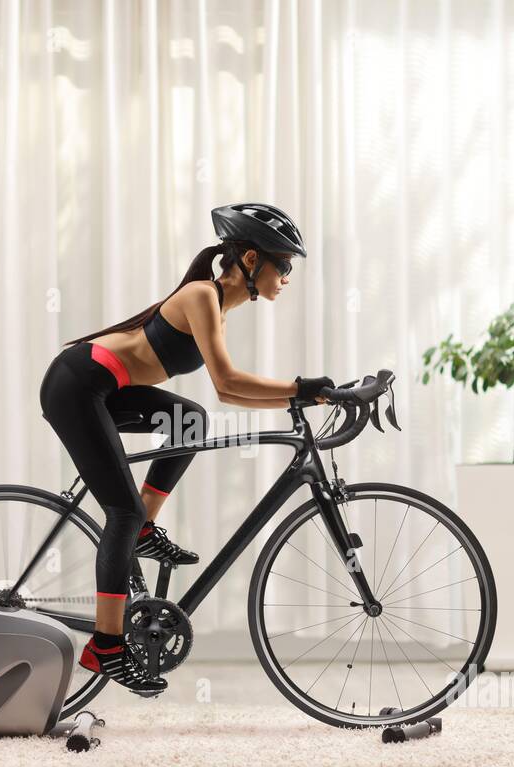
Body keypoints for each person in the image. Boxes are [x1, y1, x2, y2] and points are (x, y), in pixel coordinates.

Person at [38, 202, 333, 695]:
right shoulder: (202, 295)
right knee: (121, 512)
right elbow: (228, 382)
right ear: (252, 261)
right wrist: (299, 388)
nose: (287, 276)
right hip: (77, 383)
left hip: (106, 386)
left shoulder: (215, 307)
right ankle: (105, 647)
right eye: (283, 264)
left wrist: (301, 395)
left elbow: (229, 394)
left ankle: (141, 530)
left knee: (189, 421)